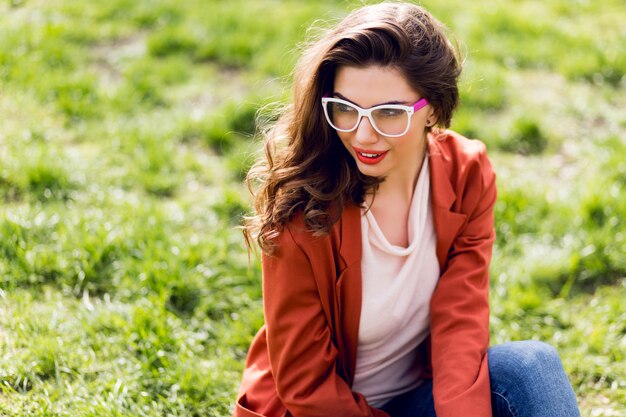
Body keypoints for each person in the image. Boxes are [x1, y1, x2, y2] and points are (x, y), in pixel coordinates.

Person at [233, 2, 581, 417]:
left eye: (390, 113)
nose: (363, 134)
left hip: (418, 399)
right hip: (324, 410)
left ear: (431, 107)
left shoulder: (466, 173)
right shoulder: (303, 210)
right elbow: (308, 388)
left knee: (532, 367)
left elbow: (461, 324)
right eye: (345, 108)